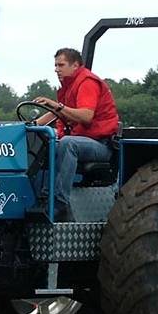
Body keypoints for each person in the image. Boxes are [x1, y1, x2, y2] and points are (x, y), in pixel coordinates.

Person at [33, 48, 119, 222]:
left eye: (61, 65)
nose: (56, 69)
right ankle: (39, 198)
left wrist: (56, 106)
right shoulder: (69, 87)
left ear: (75, 65)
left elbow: (86, 116)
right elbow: (57, 113)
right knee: (44, 143)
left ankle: (58, 203)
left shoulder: (87, 82)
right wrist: (30, 126)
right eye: (55, 65)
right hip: (83, 140)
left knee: (68, 143)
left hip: (100, 145)